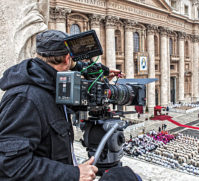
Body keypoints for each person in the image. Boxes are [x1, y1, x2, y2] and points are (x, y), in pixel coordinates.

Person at [0, 30, 122, 180]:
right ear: (67, 59)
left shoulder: (47, 82)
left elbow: (75, 66)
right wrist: (73, 174)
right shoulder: (25, 98)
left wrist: (101, 72)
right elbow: (9, 165)